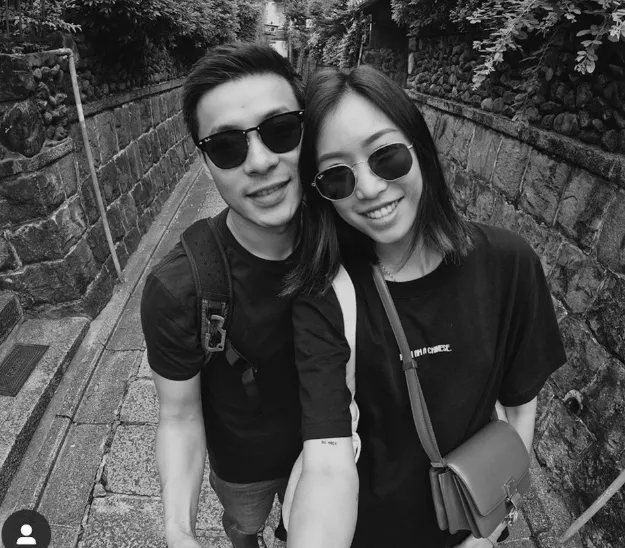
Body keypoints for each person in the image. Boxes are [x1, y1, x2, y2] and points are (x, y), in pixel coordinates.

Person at [283, 65, 567, 548]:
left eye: (386, 156)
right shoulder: (325, 295)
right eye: (337, 177)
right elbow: (327, 463)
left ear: (421, 148)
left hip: (468, 526)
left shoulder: (508, 264)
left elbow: (520, 410)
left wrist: (490, 529)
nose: (368, 188)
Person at [140, 42, 305, 548]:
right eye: (228, 146)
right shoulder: (179, 287)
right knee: (244, 527)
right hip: (242, 466)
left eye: (281, 130)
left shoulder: (353, 242)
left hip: (335, 446)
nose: (260, 162)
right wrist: (178, 529)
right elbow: (179, 416)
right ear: (205, 162)